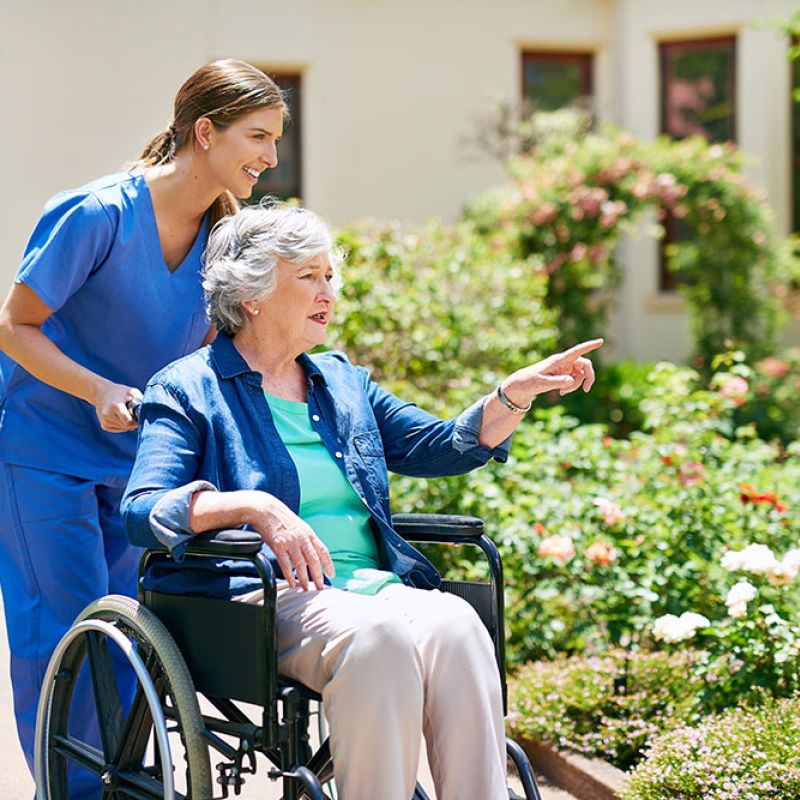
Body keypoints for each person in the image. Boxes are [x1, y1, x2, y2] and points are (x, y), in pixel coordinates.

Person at [122, 202, 603, 800]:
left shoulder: (343, 383)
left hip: (369, 589)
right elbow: (144, 508)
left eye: (329, 275)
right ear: (252, 295)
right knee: (376, 636)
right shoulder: (187, 387)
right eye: (307, 277)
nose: (328, 290)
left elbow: (440, 446)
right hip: (262, 597)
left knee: (457, 625)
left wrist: (513, 394)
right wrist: (254, 507)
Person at [0, 60, 287, 796]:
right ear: (204, 131)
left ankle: (128, 787)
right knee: (63, 636)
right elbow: (14, 325)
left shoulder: (225, 238)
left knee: (133, 639)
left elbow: (211, 354)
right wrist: (98, 390)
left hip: (138, 468)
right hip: (46, 455)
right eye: (257, 136)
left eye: (276, 139)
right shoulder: (96, 213)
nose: (272, 157)